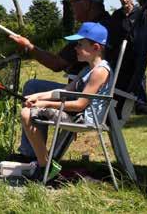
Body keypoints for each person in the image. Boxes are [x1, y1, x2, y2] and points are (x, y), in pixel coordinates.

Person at [9, 0, 114, 161]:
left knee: (31, 89)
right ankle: (42, 162)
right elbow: (69, 88)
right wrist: (39, 97)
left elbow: (57, 64)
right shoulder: (98, 36)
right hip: (78, 93)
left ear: (89, 3)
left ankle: (35, 159)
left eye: (76, 1)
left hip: (82, 109)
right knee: (33, 94)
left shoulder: (92, 33)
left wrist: (29, 47)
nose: (71, 7)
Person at [21, 22, 112, 181]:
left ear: (96, 47)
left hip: (83, 118)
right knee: (27, 111)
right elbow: (65, 91)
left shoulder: (99, 72)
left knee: (26, 114)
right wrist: (38, 96)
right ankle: (46, 166)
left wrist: (45, 104)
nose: (75, 48)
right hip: (75, 114)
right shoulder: (87, 69)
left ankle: (45, 167)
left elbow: (80, 105)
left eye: (80, 44)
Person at [110, 0, 147, 115]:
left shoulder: (140, 12)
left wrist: (144, 48)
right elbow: (113, 33)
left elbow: (146, 31)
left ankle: (141, 105)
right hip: (122, 53)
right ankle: (119, 107)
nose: (124, 0)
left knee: (139, 77)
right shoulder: (117, 15)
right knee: (121, 78)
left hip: (138, 51)